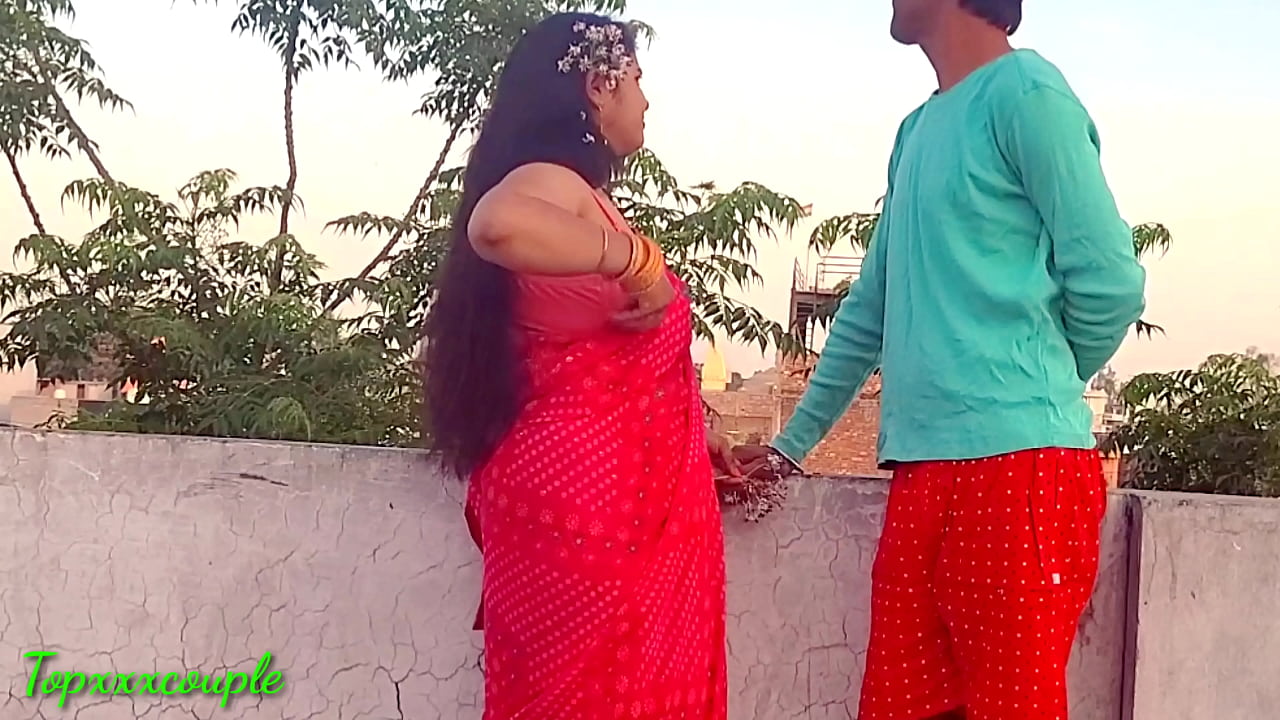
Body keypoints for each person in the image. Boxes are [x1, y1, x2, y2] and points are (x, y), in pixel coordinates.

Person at [738, 1, 1147, 718]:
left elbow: (1111, 282)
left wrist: (1034, 382)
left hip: (1021, 469)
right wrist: (789, 446)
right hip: (922, 471)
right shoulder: (916, 131)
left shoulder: (1028, 95)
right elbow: (870, 308)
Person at [422, 12, 739, 720]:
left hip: (589, 501)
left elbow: (606, 357)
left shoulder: (583, 199)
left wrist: (698, 432)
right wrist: (636, 260)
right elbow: (496, 225)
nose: (646, 101)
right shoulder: (550, 181)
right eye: (637, 81)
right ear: (599, 86)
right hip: (595, 509)